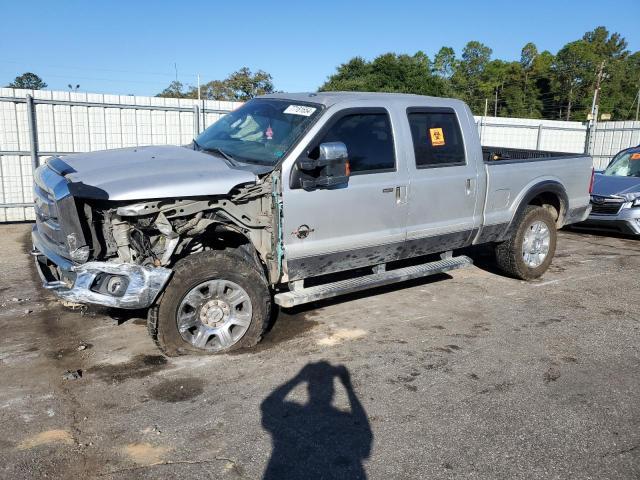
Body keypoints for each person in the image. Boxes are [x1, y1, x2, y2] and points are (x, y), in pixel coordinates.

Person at [261, 361, 373, 479]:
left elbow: (268, 406)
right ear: (332, 392)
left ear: (308, 390)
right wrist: (348, 387)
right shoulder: (342, 419)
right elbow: (365, 441)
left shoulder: (295, 414)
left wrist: (298, 378)